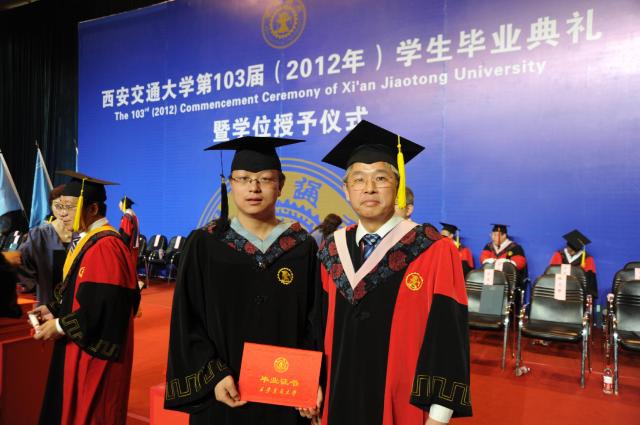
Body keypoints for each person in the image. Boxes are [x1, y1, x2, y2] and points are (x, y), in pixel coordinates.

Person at [306, 120, 472, 425]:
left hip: (402, 402)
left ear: (397, 187)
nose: (369, 188)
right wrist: (310, 385)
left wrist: (439, 416)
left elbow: (448, 335)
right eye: (358, 179)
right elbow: (315, 326)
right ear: (346, 190)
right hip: (337, 396)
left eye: (380, 178)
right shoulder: (332, 250)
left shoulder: (433, 249)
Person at [165, 137, 320, 425]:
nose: (254, 188)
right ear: (230, 184)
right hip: (224, 392)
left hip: (284, 393)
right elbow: (187, 318)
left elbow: (314, 321)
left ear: (281, 184)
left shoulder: (302, 247)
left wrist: (308, 380)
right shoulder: (205, 244)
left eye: (265, 179)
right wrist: (213, 375)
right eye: (244, 179)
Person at [29, 170, 139, 425]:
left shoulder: (106, 246)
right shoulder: (89, 240)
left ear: (93, 209)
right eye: (60, 207)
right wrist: (53, 309)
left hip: (94, 358)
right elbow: (81, 292)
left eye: (70, 207)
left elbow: (104, 308)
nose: (62, 214)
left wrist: (59, 325)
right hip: (78, 347)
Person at [17, 185, 71, 305]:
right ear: (51, 207)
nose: (63, 211)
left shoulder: (82, 235)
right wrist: (32, 288)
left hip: (76, 305)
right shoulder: (39, 235)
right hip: (46, 303)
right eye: (58, 206)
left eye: (67, 206)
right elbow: (22, 264)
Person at [549, 229, 597, 299]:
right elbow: (551, 274)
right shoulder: (559, 255)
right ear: (567, 246)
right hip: (559, 291)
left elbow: (590, 281)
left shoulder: (587, 259)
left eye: (575, 250)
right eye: (570, 249)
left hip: (578, 293)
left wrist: (589, 296)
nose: (572, 252)